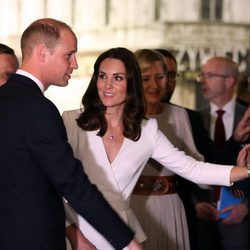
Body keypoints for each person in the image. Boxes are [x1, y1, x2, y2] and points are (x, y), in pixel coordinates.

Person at [62, 47, 250, 250]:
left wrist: (246, 171)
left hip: (124, 239)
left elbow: (193, 169)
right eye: (102, 76)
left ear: (132, 83)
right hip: (77, 234)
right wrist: (75, 236)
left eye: (117, 78)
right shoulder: (72, 122)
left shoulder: (147, 130)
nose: (107, 85)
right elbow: (51, 185)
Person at [0, 18, 142, 250]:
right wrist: (127, 242)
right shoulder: (38, 109)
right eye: (69, 55)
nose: (75, 64)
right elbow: (73, 184)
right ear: (43, 53)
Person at [130, 48, 203, 250]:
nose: (154, 85)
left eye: (160, 77)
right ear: (134, 80)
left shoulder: (180, 115)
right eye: (145, 79)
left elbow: (196, 165)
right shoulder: (121, 116)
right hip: (134, 208)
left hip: (171, 208)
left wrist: (235, 171)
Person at [196, 56, 250, 250]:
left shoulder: (247, 117)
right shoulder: (193, 119)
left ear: (229, 81)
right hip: (200, 219)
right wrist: (194, 204)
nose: (202, 80)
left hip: (241, 224)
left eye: (210, 75)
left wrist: (247, 207)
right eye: (202, 75)